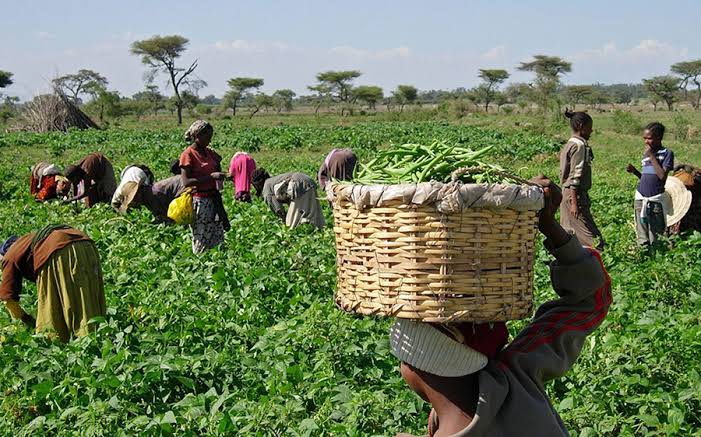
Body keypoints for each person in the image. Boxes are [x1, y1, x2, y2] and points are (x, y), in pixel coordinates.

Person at [393, 176, 612, 437]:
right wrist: (549, 225)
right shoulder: (515, 377)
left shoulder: (514, 373)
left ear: (417, 363)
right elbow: (590, 300)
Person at [0, 225, 106, 342]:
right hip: (86, 244)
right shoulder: (26, 242)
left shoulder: (9, 256)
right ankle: (97, 338)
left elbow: (8, 299)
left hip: (57, 248)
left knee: (51, 315)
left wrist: (27, 319)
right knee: (86, 296)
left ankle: (77, 345)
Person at [179, 120, 230, 253]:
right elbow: (186, 182)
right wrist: (211, 177)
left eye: (211, 136)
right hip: (200, 201)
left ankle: (218, 264)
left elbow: (216, 168)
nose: (209, 140)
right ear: (197, 136)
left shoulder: (209, 152)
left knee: (218, 234)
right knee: (201, 236)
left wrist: (220, 167)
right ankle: (200, 265)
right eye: (207, 137)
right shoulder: (188, 155)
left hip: (214, 198)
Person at [559, 110, 605, 251]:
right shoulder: (580, 146)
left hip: (566, 193)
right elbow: (575, 175)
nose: (591, 131)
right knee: (593, 237)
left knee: (568, 231)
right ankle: (597, 259)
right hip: (574, 195)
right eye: (589, 127)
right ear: (581, 126)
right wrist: (574, 203)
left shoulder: (570, 143)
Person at [626, 122, 674, 247]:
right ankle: (643, 257)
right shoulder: (646, 155)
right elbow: (646, 177)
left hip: (655, 200)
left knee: (656, 235)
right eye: (645, 138)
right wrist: (635, 171)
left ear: (659, 138)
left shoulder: (667, 153)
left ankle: (656, 258)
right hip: (641, 198)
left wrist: (652, 157)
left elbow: (662, 177)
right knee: (642, 235)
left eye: (650, 138)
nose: (646, 141)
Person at [252, 169, 326, 229]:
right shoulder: (272, 180)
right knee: (312, 213)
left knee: (291, 223)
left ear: (257, 184)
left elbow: (278, 209)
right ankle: (318, 229)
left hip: (298, 184)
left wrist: (283, 219)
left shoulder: (266, 188)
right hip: (308, 180)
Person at [117, 175, 186, 223]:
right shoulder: (147, 195)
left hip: (186, 189)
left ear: (138, 195)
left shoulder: (153, 194)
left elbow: (166, 215)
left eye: (133, 201)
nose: (134, 205)